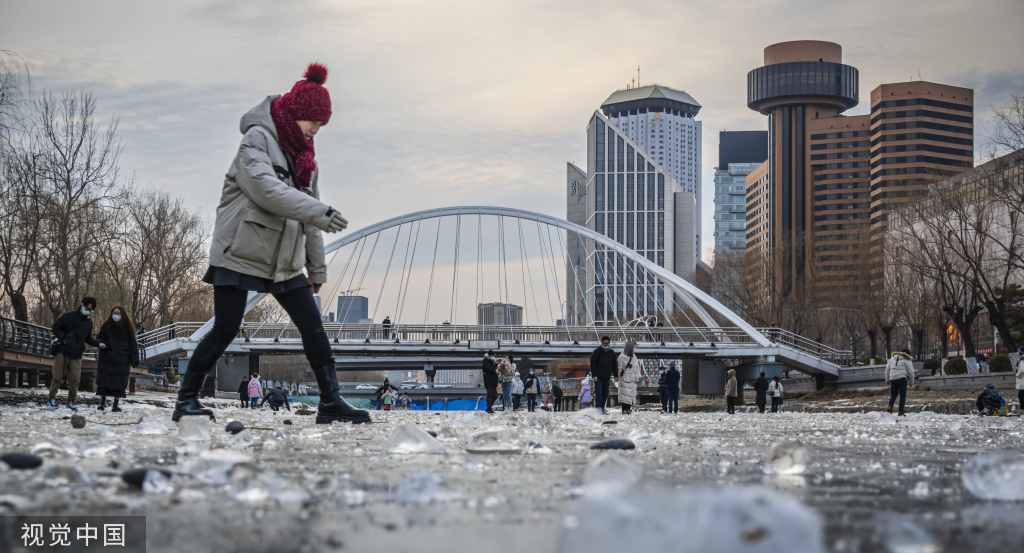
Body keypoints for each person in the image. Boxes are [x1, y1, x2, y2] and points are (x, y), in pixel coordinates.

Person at [171, 63, 368, 425]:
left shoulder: (305, 159)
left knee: (313, 327)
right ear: (296, 114)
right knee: (225, 328)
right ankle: (186, 400)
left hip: (284, 261)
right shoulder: (256, 140)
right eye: (313, 122)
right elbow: (267, 190)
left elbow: (308, 217)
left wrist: (317, 267)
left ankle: (330, 401)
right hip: (241, 252)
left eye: (321, 125)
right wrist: (320, 211)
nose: (315, 130)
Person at [48, 296, 101, 410]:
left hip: (77, 354)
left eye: (91, 310)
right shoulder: (68, 316)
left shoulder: (88, 322)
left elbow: (87, 338)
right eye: (87, 308)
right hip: (63, 351)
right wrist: (63, 338)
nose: (88, 311)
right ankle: (51, 398)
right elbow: (55, 327)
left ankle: (71, 401)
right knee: (58, 376)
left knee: (75, 380)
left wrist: (98, 344)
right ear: (81, 304)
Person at [94, 305, 140, 412]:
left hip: (122, 360)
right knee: (104, 381)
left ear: (123, 315)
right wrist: (100, 343)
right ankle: (102, 402)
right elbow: (99, 337)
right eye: (114, 313)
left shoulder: (128, 329)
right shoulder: (106, 327)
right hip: (107, 358)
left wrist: (134, 360)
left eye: (118, 313)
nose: (116, 315)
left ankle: (115, 404)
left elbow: (133, 346)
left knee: (119, 383)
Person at [589, 336, 618, 414]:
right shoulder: (596, 352)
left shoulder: (612, 353)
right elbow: (593, 364)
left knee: (605, 393)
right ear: (601, 343)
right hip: (598, 377)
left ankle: (602, 407)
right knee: (599, 392)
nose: (605, 344)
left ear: (609, 343)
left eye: (607, 343)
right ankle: (598, 408)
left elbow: (614, 365)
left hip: (606, 377)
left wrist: (616, 375)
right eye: (604, 343)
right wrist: (594, 375)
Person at [885, 349, 915, 417]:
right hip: (902, 378)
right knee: (902, 395)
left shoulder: (892, 359)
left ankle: (890, 406)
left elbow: (887, 369)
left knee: (893, 394)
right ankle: (900, 411)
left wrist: (887, 379)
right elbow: (911, 372)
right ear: (908, 354)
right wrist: (911, 382)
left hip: (893, 378)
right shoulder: (907, 359)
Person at [617, 341, 640, 415]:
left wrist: (638, 376)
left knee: (631, 395)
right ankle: (624, 409)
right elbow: (619, 368)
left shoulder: (634, 356)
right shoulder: (621, 357)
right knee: (625, 395)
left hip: (633, 379)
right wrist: (617, 376)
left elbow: (637, 367)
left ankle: (628, 409)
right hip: (625, 378)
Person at [1016, 346, 1024, 412]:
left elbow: (1022, 370)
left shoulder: (1022, 360)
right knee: (1021, 395)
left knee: (1021, 395)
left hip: (1022, 380)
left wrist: (1017, 375)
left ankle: (1022, 409)